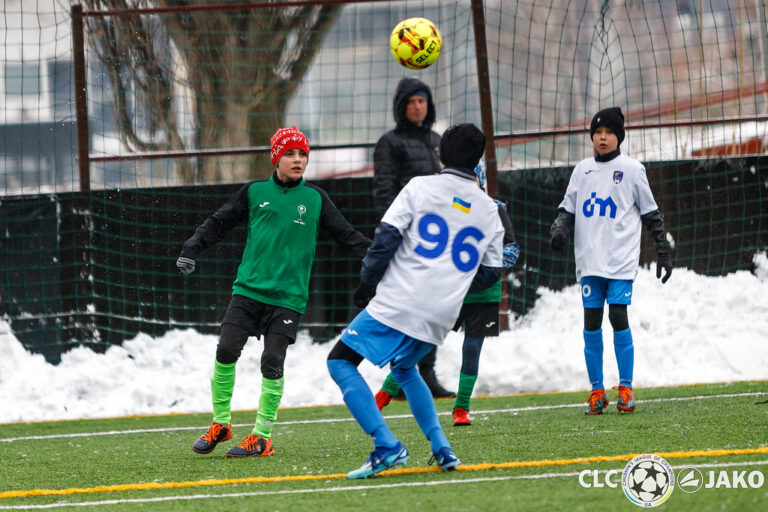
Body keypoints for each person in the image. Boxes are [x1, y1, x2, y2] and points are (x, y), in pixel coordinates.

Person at [176, 126, 370, 457]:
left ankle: (262, 436)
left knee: (272, 360)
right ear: (276, 158)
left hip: (288, 299)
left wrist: (382, 258)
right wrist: (192, 248)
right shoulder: (254, 192)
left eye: (302, 154)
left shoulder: (316, 199)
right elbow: (218, 222)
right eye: (290, 154)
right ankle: (221, 424)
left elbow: (348, 236)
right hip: (248, 291)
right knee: (226, 350)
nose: (297, 160)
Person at [327, 123, 505, 478]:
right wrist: (451, 288)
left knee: (339, 362)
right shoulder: (490, 210)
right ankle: (442, 448)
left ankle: (386, 445)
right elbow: (490, 272)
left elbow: (386, 237)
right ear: (477, 161)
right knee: (405, 368)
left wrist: (367, 283)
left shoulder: (420, 187)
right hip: (441, 315)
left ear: (440, 154)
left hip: (402, 300)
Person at [375, 159, 522, 427]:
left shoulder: (493, 209)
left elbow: (511, 250)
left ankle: (462, 407)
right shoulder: (446, 207)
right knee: (420, 341)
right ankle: (384, 393)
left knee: (472, 348)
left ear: (480, 181)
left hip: (483, 294)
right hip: (449, 291)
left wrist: (483, 270)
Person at [549, 107, 672, 415]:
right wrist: (559, 229)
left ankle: (626, 388)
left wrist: (663, 250)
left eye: (609, 132)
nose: (602, 138)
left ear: (619, 137)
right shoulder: (582, 170)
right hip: (589, 262)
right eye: (598, 132)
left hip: (620, 262)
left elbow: (651, 214)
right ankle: (597, 391)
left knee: (618, 317)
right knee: (591, 322)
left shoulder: (632, 170)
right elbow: (567, 209)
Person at [372, 76, 454, 399]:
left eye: (422, 100)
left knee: (432, 306)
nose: (417, 106)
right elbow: (384, 192)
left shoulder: (437, 140)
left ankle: (427, 374)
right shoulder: (389, 143)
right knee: (405, 307)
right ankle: (398, 377)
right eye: (411, 101)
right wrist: (394, 232)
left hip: (437, 239)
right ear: (401, 107)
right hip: (406, 238)